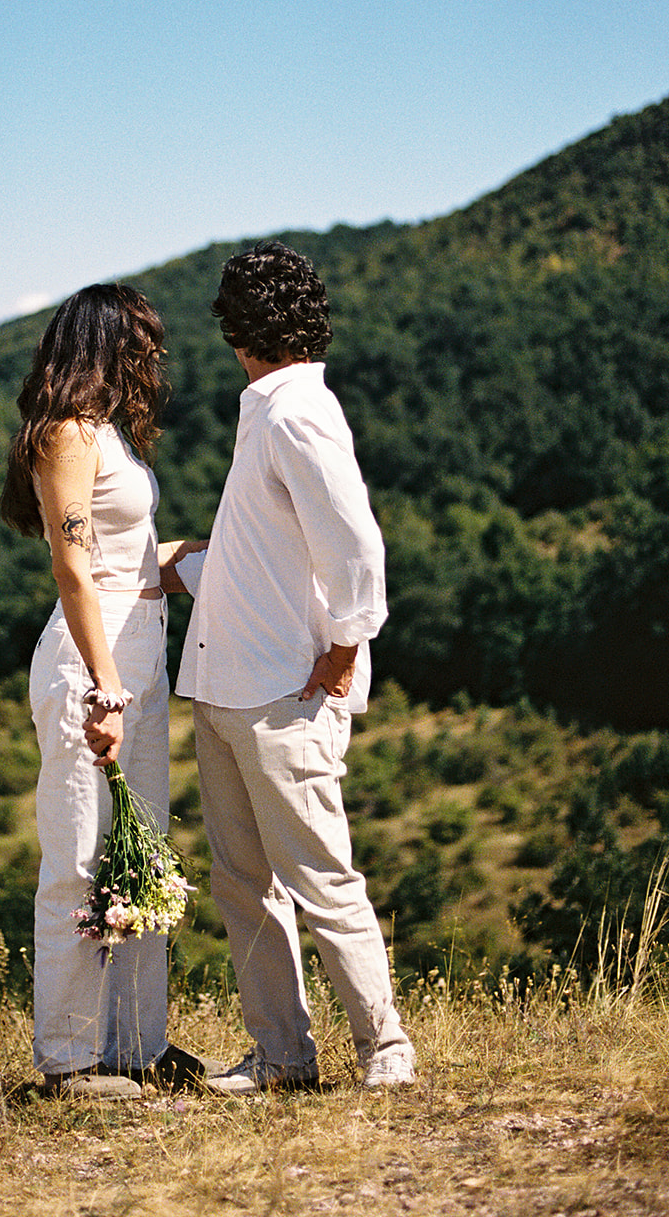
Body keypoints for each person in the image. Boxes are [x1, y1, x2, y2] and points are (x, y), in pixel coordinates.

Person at [174, 241, 416, 1093]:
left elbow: (355, 542)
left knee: (318, 877)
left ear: (238, 333)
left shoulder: (295, 412)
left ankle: (384, 1050)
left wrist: (347, 644)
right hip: (225, 680)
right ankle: (282, 1056)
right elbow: (268, 560)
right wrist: (181, 566)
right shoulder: (268, 410)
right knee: (244, 886)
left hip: (283, 687)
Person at [0, 282, 204, 1099]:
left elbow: (132, 558)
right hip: (95, 661)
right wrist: (107, 690)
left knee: (139, 858)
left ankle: (136, 1046)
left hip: (137, 649)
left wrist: (226, 557)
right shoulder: (65, 436)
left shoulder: (109, 434)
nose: (152, 356)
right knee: (81, 862)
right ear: (106, 341)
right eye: (141, 340)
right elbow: (73, 565)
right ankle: (71, 1059)